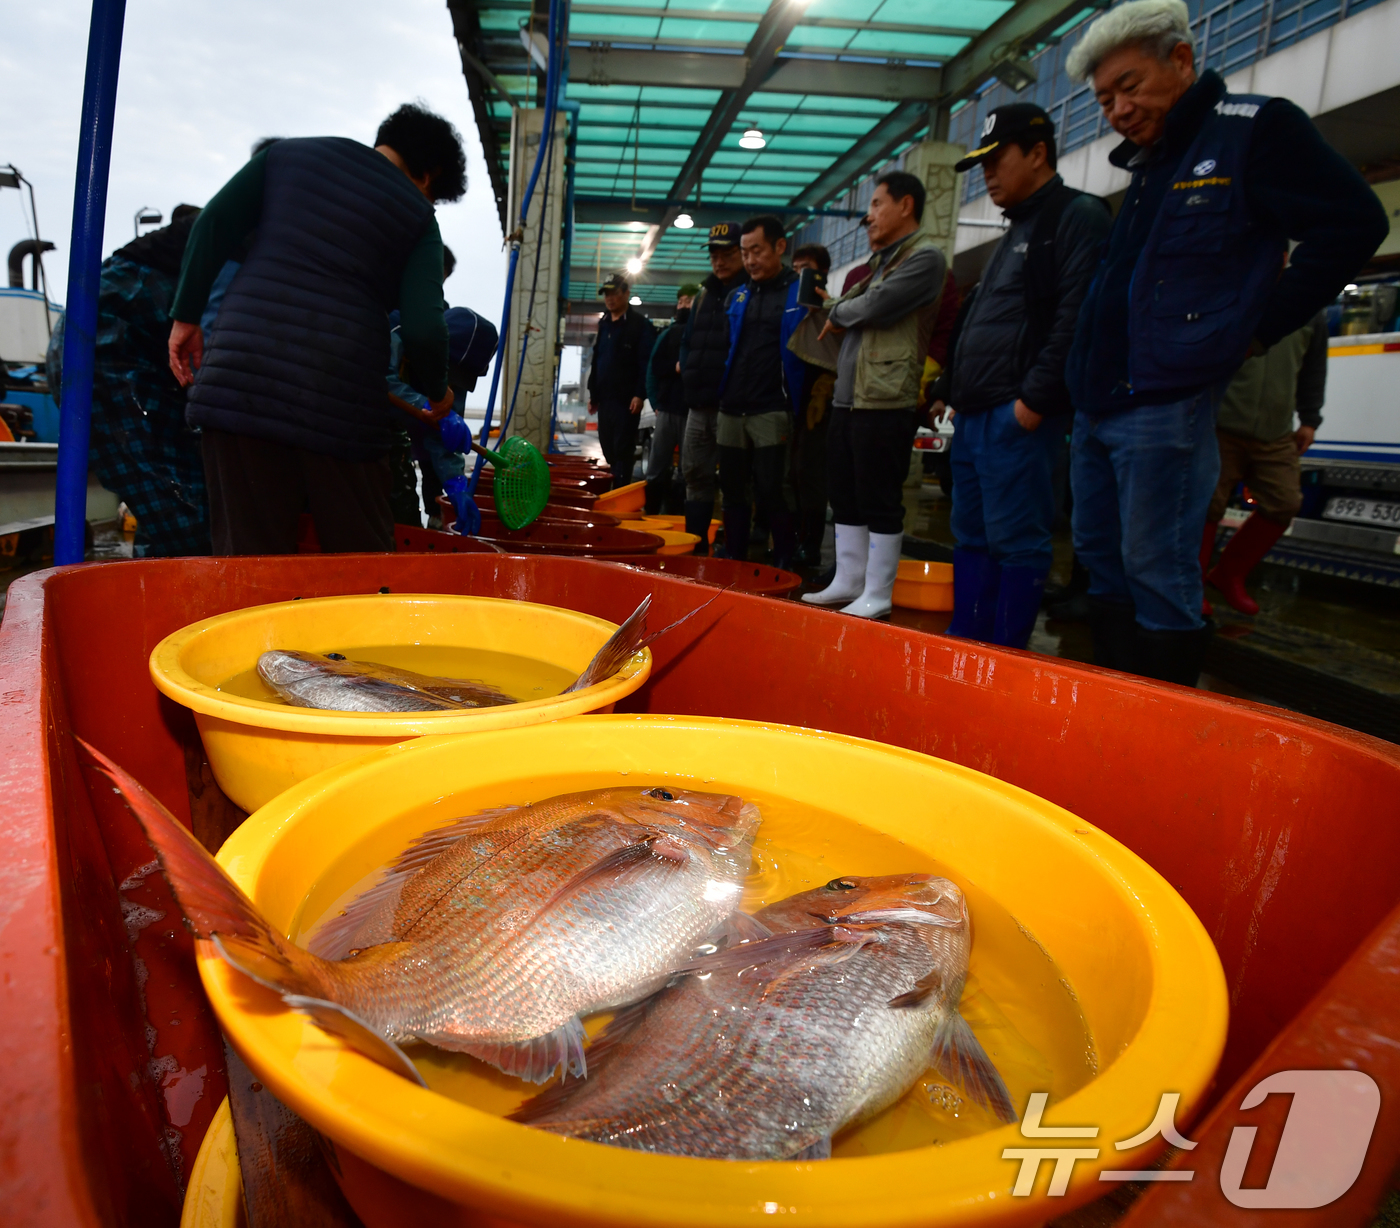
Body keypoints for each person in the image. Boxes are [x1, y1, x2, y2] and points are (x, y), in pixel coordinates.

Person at [1063, 0, 1388, 684]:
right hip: (1098, 400)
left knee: (1157, 566)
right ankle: (1114, 714)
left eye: (1129, 86)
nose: (1117, 109)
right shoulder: (1151, 162)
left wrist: (1257, 328)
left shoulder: (1254, 130)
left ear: (1181, 59)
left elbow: (1354, 224)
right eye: (1102, 99)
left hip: (1164, 401)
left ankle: (1165, 733)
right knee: (1100, 558)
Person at [169, 103, 465, 555]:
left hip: (239, 384)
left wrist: (185, 317)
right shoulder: (416, 215)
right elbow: (425, 328)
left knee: (249, 565)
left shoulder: (287, 157)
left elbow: (213, 225)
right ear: (429, 175)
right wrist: (438, 390)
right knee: (360, 564)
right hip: (340, 401)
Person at [934, 105, 1111, 649]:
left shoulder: (1074, 216)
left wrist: (1034, 398)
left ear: (1038, 153)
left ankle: (1006, 652)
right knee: (972, 531)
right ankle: (970, 638)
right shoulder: (1017, 229)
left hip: (1019, 414)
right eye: (982, 164)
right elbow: (986, 320)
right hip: (978, 412)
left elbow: (1077, 314)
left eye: (997, 160)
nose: (987, 175)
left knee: (1017, 538)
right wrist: (953, 390)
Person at [802, 172, 946, 618]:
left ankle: (879, 592)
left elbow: (870, 305)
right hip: (851, 395)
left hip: (886, 398)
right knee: (844, 490)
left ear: (906, 205)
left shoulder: (925, 259)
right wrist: (843, 309)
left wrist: (839, 310)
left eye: (879, 204)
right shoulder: (884, 261)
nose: (870, 215)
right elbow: (855, 302)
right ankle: (849, 579)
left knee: (879, 494)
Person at [49, 207, 211, 557]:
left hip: (108, 331)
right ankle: (185, 605)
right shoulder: (246, 222)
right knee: (185, 510)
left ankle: (155, 595)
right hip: (108, 341)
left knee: (171, 503)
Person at [1201, 310, 1327, 615]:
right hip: (1222, 424)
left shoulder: (1311, 311)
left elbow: (1313, 368)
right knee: (1206, 505)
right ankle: (1190, 585)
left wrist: (1309, 419)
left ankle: (1228, 574)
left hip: (1276, 432)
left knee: (1285, 502)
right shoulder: (1242, 290)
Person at [715, 216, 801, 567]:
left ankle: (784, 554)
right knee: (732, 488)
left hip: (772, 405)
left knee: (771, 487)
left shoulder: (799, 292)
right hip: (732, 406)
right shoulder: (739, 295)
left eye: (757, 251)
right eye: (745, 252)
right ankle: (733, 553)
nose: (750, 260)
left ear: (780, 247)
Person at [679, 222, 748, 548]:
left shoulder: (751, 291)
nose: (719, 261)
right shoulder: (704, 296)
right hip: (698, 404)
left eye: (728, 253)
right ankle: (696, 546)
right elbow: (688, 341)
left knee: (735, 482)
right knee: (694, 475)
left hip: (732, 407)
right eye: (714, 255)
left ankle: (735, 552)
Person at [786, 244, 837, 566]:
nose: (798, 275)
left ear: (821, 273)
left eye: (806, 268)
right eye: (795, 268)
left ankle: (810, 544)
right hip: (787, 403)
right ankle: (789, 540)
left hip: (818, 406)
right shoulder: (788, 310)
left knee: (810, 476)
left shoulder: (832, 312)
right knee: (789, 476)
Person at [587, 273, 656, 490]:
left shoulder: (640, 325)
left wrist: (639, 393)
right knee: (608, 448)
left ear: (626, 293)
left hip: (627, 401)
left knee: (621, 448)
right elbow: (597, 358)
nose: (610, 298)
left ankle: (619, 490)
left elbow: (645, 361)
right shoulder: (605, 323)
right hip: (605, 400)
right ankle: (616, 483)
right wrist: (593, 394)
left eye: (614, 293)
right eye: (606, 294)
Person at [642, 284, 698, 514]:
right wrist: (656, 404)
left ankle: (679, 515)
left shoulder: (704, 333)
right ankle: (652, 513)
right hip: (667, 410)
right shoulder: (667, 335)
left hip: (693, 411)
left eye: (689, 301)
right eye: (681, 301)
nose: (683, 305)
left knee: (688, 470)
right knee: (657, 466)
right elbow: (653, 369)